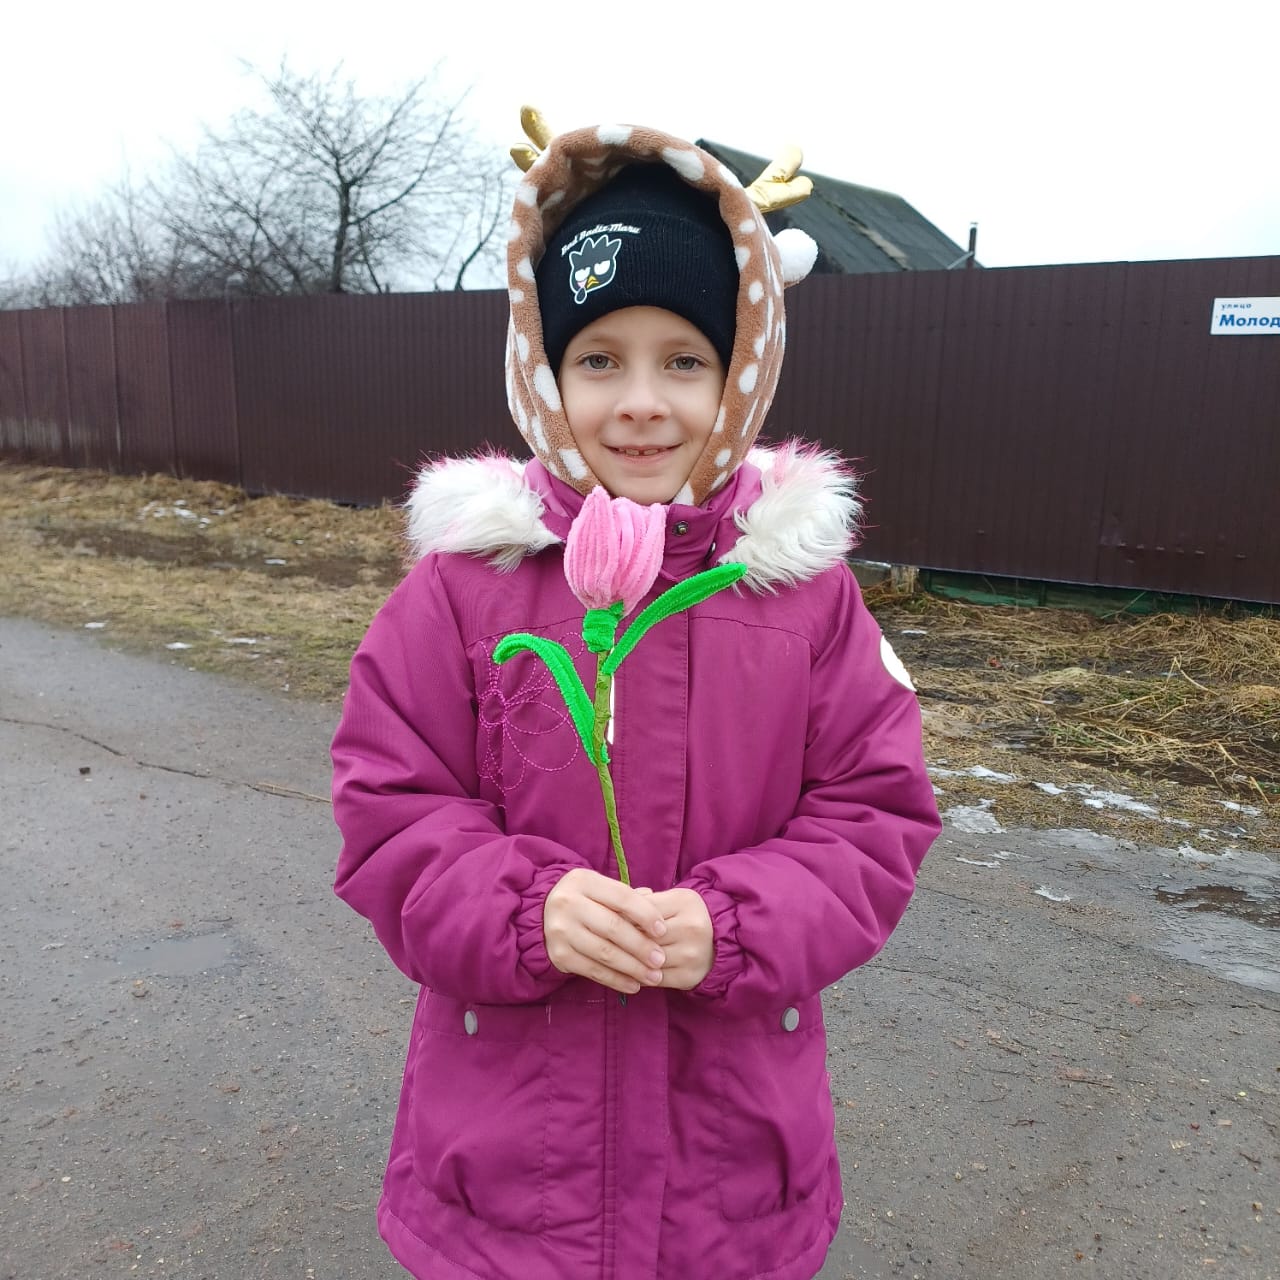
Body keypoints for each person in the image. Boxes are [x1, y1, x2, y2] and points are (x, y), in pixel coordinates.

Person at [331, 114, 941, 1280]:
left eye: (684, 361)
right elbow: (389, 812)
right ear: (544, 373)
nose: (642, 402)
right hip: (507, 1177)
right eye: (600, 359)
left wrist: (737, 922)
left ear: (740, 374)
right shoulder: (462, 589)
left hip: (730, 1173)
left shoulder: (803, 596)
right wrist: (527, 908)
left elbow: (874, 817)